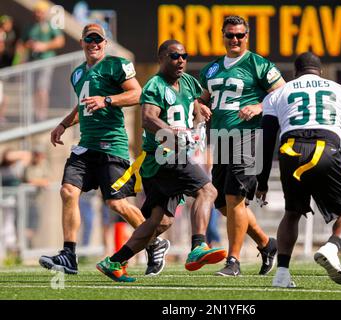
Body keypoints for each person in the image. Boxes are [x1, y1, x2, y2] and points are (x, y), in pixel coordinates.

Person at [38, 23, 169, 276]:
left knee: (116, 204)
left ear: (105, 42)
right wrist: (64, 124)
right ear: (82, 42)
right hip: (86, 146)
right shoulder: (77, 74)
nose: (94, 43)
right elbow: (83, 106)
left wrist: (107, 99)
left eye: (99, 39)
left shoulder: (115, 65)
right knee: (67, 191)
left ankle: (155, 242)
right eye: (90, 39)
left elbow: (137, 94)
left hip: (113, 145)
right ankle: (69, 254)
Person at [96, 39, 227, 282]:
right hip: (162, 154)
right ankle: (198, 245)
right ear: (161, 58)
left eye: (184, 56)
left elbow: (195, 102)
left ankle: (114, 261)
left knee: (161, 221)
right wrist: (174, 132)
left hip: (171, 157)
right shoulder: (155, 85)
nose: (181, 61)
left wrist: (200, 113)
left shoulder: (188, 82)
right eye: (174, 56)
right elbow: (147, 119)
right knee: (207, 190)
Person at [258, 52, 341, 287]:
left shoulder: (278, 93)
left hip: (290, 150)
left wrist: (261, 181)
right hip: (325, 149)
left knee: (292, 212)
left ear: (295, 73)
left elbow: (266, 139)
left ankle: (282, 273)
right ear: (320, 72)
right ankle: (332, 249)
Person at [198, 16, 284, 276]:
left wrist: (259, 106)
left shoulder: (258, 63)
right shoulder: (211, 69)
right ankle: (266, 243)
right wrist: (200, 106)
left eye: (240, 35)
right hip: (222, 138)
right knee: (223, 203)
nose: (235, 40)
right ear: (222, 35)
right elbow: (203, 98)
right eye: (230, 35)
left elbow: (281, 92)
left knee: (236, 197)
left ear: (247, 36)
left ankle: (233, 260)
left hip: (247, 136)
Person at [17, 0, 65, 120]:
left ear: (45, 13)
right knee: (32, 89)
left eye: (41, 12)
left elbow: (60, 41)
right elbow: (21, 44)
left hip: (46, 60)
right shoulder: (29, 26)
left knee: (42, 87)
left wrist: (44, 46)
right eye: (36, 12)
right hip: (32, 61)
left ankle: (41, 114)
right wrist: (27, 47)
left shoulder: (50, 25)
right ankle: (35, 114)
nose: (38, 14)